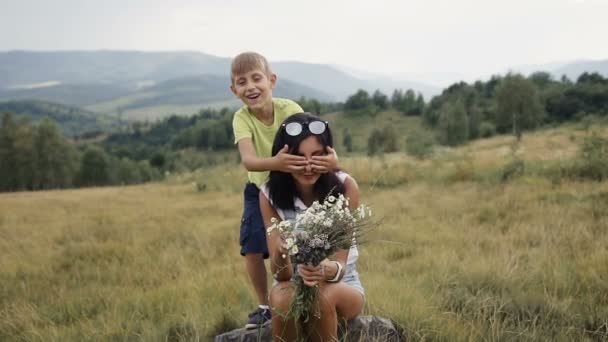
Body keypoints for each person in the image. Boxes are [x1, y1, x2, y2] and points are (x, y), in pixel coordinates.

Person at [230, 52, 338, 329]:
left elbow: (312, 142)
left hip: (293, 186)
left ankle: (307, 291)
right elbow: (249, 161)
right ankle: (265, 305)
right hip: (259, 190)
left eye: (257, 78)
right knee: (253, 246)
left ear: (272, 80)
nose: (251, 87)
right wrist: (276, 163)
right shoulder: (241, 119)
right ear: (234, 90)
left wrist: (332, 161)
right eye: (242, 82)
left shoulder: (290, 109)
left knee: (302, 240)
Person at [259, 113, 364, 341]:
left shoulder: (345, 187)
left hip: (340, 285)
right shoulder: (269, 194)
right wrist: (281, 250)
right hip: (292, 283)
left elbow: (341, 265)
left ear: (330, 155)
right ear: (282, 157)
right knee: (280, 297)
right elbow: (281, 274)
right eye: (298, 157)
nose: (308, 166)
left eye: (317, 156)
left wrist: (326, 270)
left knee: (321, 296)